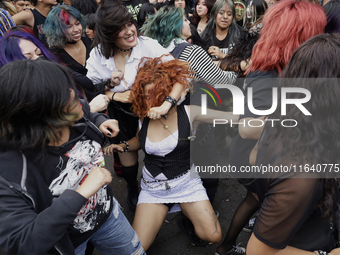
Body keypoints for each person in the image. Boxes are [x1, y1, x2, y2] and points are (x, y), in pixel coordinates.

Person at [0, 59, 146, 255]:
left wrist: (100, 120)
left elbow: (88, 113)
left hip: (108, 215)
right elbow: (21, 242)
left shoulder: (74, 111)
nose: (72, 93)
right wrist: (82, 192)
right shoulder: (10, 171)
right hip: (67, 242)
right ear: (39, 111)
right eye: (62, 94)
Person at [215, 1, 327, 254]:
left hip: (267, 152)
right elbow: (248, 128)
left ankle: (229, 246)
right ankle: (241, 245)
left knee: (257, 200)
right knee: (264, 201)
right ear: (302, 34)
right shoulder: (267, 74)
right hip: (252, 155)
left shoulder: (290, 68)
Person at [103, 56, 239, 251]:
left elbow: (233, 117)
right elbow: (139, 142)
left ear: (168, 94)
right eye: (146, 95)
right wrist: (122, 146)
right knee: (134, 249)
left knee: (213, 235)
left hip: (186, 184)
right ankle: (165, 209)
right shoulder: (144, 117)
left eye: (155, 94)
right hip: (153, 188)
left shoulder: (191, 113)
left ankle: (186, 211)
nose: (150, 100)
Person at [246, 32, 340, 255]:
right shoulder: (301, 176)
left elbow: (253, 157)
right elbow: (257, 252)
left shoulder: (285, 118)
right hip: (306, 244)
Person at [86, 0, 185, 210]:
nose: (129, 31)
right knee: (128, 159)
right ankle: (133, 186)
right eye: (119, 29)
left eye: (129, 24)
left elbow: (180, 75)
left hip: (152, 110)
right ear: (108, 34)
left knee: (159, 152)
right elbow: (90, 89)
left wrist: (165, 102)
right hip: (120, 114)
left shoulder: (147, 44)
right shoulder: (97, 55)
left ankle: (166, 188)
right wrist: (115, 96)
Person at [0, 29, 109, 113]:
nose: (38, 60)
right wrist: (90, 110)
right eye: (28, 58)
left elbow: (86, 85)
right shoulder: (23, 100)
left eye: (39, 54)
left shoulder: (54, 73)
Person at [143, 6, 237, 86]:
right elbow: (223, 81)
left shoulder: (158, 50)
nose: (189, 22)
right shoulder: (191, 52)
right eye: (184, 20)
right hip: (193, 105)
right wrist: (238, 64)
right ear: (174, 26)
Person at [44, 5, 100, 102]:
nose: (76, 29)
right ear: (57, 30)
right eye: (69, 26)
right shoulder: (54, 55)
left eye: (77, 23)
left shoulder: (91, 41)